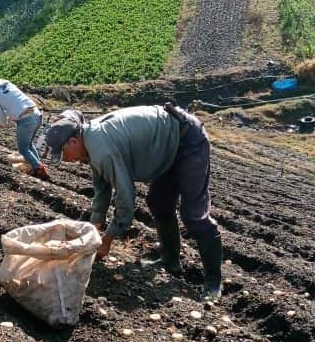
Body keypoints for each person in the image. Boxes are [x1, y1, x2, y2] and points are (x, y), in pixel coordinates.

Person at [43, 103, 223, 300]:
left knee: (194, 216)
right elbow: (102, 189)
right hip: (168, 143)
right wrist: (93, 232)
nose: (66, 160)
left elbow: (125, 198)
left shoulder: (102, 149)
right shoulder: (90, 140)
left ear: (72, 142)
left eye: (62, 153)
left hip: (187, 139)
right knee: (159, 202)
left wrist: (108, 239)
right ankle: (170, 262)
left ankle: (214, 281)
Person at [0, 69, 49, 181]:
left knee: (23, 149)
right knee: (29, 144)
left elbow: (0, 114)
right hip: (37, 114)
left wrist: (4, 125)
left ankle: (39, 169)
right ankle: (37, 165)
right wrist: (8, 120)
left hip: (26, 120)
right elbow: (14, 102)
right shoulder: (6, 82)